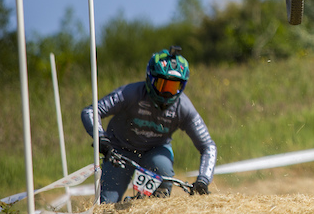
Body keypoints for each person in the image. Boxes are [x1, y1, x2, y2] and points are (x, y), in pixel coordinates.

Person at [81, 47, 217, 203]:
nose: (167, 93)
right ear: (150, 78)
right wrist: (100, 137)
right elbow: (90, 111)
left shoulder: (183, 107)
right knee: (107, 205)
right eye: (162, 85)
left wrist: (203, 180)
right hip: (119, 152)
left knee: (161, 169)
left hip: (155, 152)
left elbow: (208, 146)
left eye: (172, 87)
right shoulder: (129, 93)